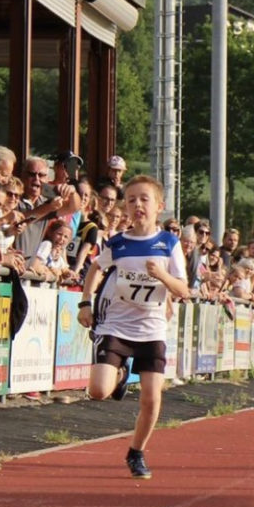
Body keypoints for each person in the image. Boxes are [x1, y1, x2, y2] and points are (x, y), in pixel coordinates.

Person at [77, 175, 190, 480]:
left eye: (144, 199)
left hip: (152, 329)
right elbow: (95, 269)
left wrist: (162, 276)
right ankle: (123, 372)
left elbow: (184, 290)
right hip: (116, 325)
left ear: (159, 206)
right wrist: (85, 303)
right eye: (131, 200)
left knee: (152, 398)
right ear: (124, 207)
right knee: (99, 391)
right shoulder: (119, 242)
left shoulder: (169, 243)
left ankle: (136, 452)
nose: (137, 205)